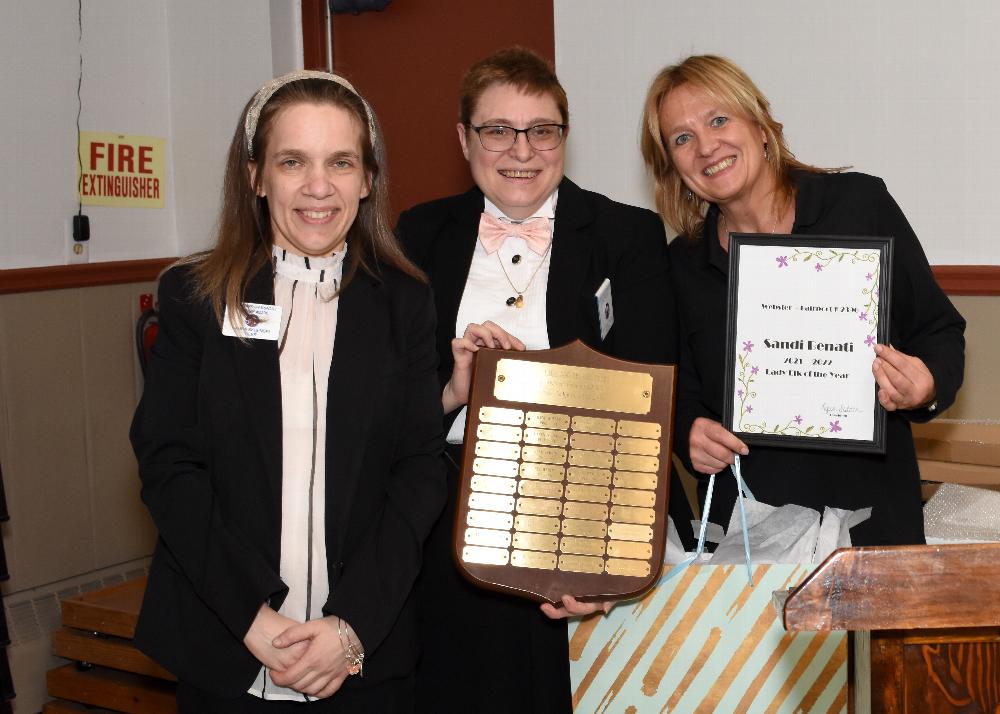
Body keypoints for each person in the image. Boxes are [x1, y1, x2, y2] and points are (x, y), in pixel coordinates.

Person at [129, 70, 445, 712]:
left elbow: (418, 472)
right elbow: (169, 465)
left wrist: (350, 627)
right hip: (226, 647)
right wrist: (251, 616)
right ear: (255, 175)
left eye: (341, 162)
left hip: (363, 657)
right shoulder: (194, 298)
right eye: (292, 161)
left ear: (367, 179)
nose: (318, 187)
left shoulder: (404, 303)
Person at [396, 47, 691, 714]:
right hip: (445, 517)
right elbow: (387, 401)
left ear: (564, 136)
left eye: (542, 130)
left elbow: (649, 395)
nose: (520, 150)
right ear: (464, 138)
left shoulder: (628, 233)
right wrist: (454, 384)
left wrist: (602, 553)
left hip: (591, 502)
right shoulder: (419, 234)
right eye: (497, 129)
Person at [640, 54, 966, 546]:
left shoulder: (859, 206)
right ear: (672, 165)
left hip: (873, 523)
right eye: (682, 138)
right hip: (750, 541)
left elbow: (938, 331)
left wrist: (926, 385)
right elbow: (679, 392)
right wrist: (689, 434)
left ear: (762, 125)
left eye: (719, 119)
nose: (706, 146)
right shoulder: (680, 266)